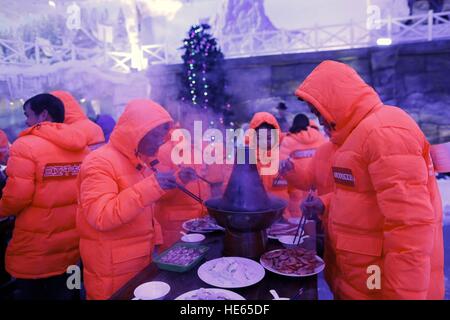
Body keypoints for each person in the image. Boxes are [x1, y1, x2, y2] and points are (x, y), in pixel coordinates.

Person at [292, 60, 444, 299]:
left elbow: (410, 227)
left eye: (319, 112)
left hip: (379, 285)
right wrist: (326, 204)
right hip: (361, 282)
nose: (320, 121)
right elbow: (363, 197)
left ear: (336, 99)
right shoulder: (355, 136)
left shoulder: (384, 131)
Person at [76, 99, 196, 300]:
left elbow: (141, 201)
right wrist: (153, 185)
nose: (161, 140)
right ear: (137, 132)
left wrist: (175, 180)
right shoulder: (99, 162)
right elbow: (101, 216)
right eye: (156, 134)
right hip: (112, 272)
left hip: (137, 262)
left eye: (163, 134)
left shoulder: (136, 161)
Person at [0, 93, 89, 300]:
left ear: (43, 115)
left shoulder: (25, 146)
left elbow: (17, 197)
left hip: (36, 251)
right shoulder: (81, 147)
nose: (25, 121)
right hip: (73, 246)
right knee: (70, 291)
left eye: (28, 114)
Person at [279, 114, 327, 218]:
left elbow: (282, 164)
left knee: (297, 219)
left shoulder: (288, 140)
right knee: (316, 218)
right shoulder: (320, 136)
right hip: (317, 185)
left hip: (297, 186)